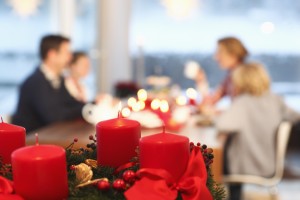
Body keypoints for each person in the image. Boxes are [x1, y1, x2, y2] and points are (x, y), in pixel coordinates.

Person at [215, 63, 300, 200]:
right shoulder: (276, 100)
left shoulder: (242, 103)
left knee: (214, 157)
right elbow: (295, 116)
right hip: (269, 165)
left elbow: (222, 125)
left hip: (243, 167)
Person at [12, 35, 85, 132]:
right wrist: (84, 109)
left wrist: (93, 104)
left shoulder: (59, 79)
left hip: (50, 135)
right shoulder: (36, 82)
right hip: (32, 141)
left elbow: (71, 103)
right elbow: (54, 116)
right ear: (52, 55)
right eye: (67, 53)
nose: (70, 57)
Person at [198, 37, 248, 109]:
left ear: (233, 55)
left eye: (220, 53)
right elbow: (210, 101)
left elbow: (244, 110)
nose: (216, 57)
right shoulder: (230, 76)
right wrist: (201, 81)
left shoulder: (247, 76)